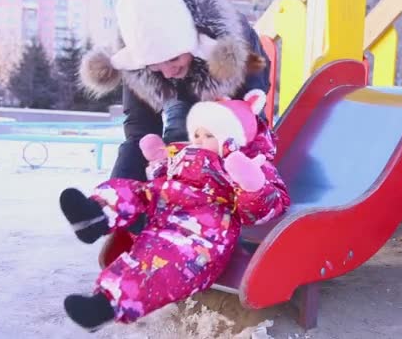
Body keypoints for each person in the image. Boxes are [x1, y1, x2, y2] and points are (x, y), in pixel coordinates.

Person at [59, 90, 291, 331]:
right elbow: (168, 176)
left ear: (232, 139)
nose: (199, 140)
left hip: (200, 233)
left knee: (161, 269)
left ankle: (105, 305)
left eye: (209, 135)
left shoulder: (248, 164)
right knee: (134, 191)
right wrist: (159, 162)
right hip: (166, 204)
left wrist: (251, 185)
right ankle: (96, 215)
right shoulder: (188, 152)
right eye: (197, 134)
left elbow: (269, 206)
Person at [79, 0, 272, 264]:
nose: (168, 71)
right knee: (155, 143)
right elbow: (139, 125)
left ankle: (214, 219)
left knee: (220, 145)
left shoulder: (228, 35)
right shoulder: (138, 51)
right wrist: (134, 170)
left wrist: (239, 119)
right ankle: (107, 208)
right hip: (183, 97)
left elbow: (254, 82)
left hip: (231, 98)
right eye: (156, 65)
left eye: (172, 59)